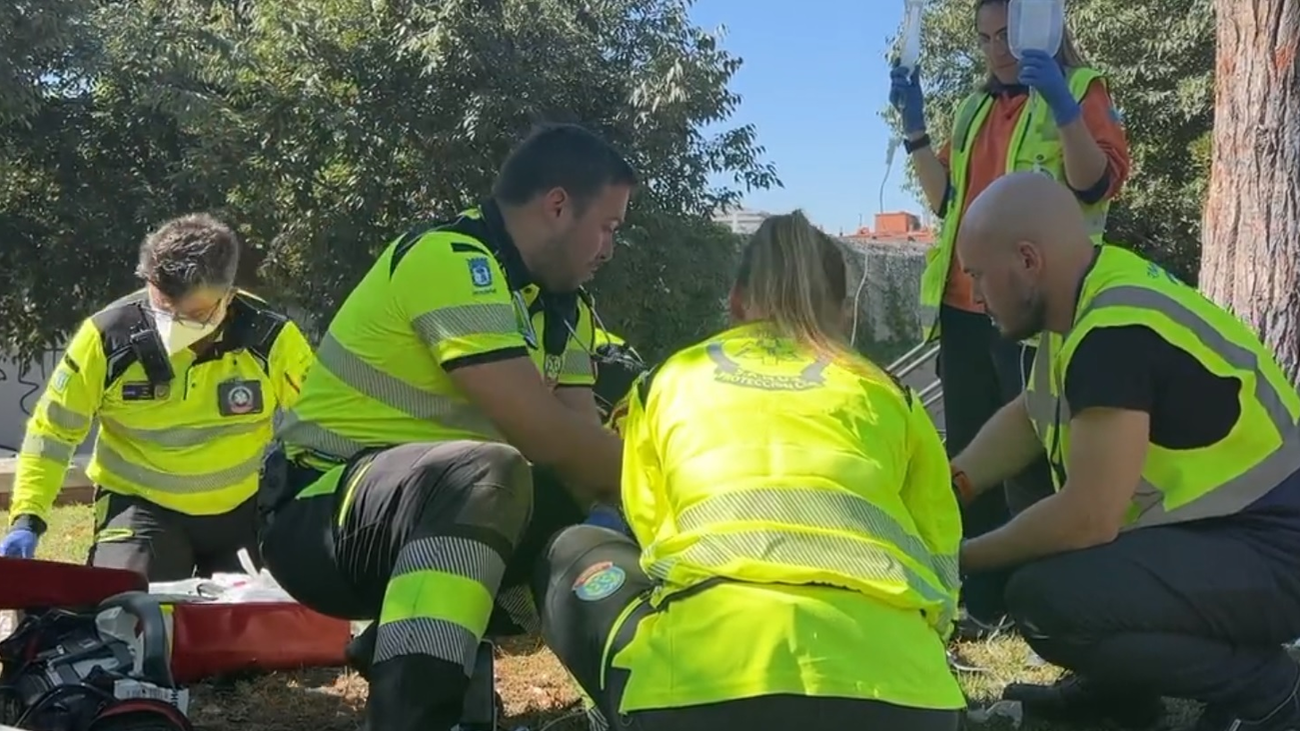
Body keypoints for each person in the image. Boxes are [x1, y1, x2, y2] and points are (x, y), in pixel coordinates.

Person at [257, 123, 634, 731]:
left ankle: (634, 701)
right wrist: (676, 477)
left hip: (424, 508)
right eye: (608, 227)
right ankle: (413, 714)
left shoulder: (562, 308)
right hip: (318, 512)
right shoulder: (450, 261)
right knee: (489, 471)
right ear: (558, 205)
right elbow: (544, 436)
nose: (609, 249)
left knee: (586, 508)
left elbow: (582, 454)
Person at [533, 211, 966, 731]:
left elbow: (651, 533)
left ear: (737, 302)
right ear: (843, 312)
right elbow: (941, 555)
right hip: (904, 698)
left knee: (574, 550)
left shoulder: (669, 381)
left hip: (705, 696)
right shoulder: (890, 395)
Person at [951, 172, 1300, 731]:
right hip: (1249, 534)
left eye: (977, 275)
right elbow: (1029, 415)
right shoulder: (1090, 297)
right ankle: (1120, 696)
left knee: (1047, 600)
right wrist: (955, 482)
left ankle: (1268, 693)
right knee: (1058, 569)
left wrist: (958, 557)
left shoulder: (1112, 331)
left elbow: (1088, 517)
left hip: (1275, 547)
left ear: (1027, 259)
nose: (973, 295)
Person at [890, 0, 1131, 628]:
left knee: (1037, 460)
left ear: (1042, 31)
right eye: (986, 37)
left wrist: (1063, 107)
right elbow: (947, 202)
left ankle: (1044, 600)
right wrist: (915, 131)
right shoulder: (973, 109)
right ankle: (982, 604)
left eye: (1008, 35)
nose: (998, 49)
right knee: (973, 449)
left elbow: (1095, 183)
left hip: (1038, 306)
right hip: (967, 308)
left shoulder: (1080, 87)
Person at [0, 214, 313, 580]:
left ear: (229, 294)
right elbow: (53, 432)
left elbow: (317, 422)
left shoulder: (271, 338)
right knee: (127, 611)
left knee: (258, 621)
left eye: (195, 313)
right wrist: (27, 518)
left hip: (242, 509)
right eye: (164, 306)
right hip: (140, 507)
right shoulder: (107, 338)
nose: (176, 321)